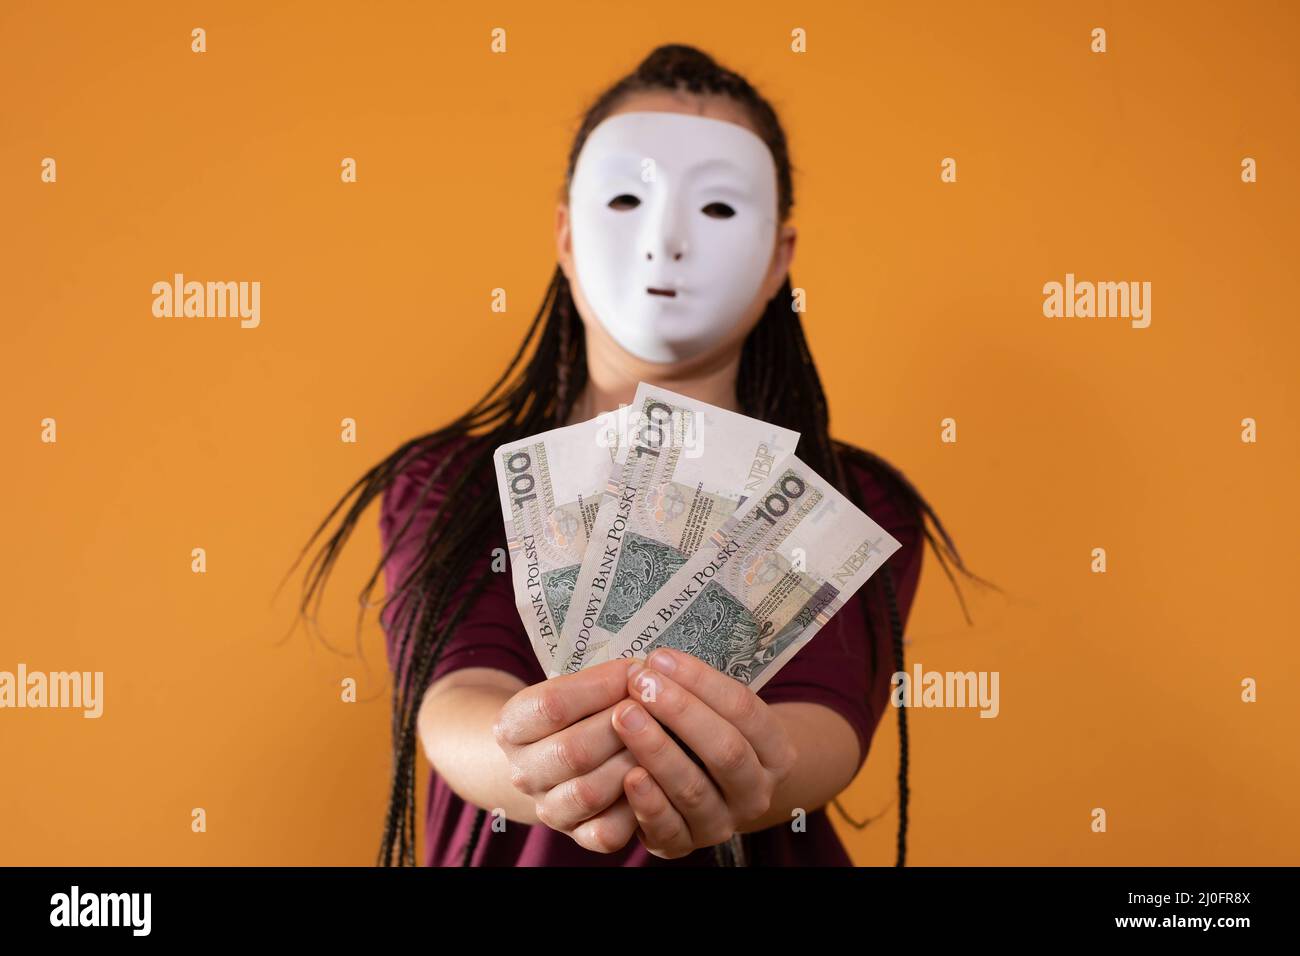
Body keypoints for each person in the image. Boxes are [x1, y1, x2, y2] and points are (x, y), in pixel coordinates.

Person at [292, 43, 991, 867]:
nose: (667, 241)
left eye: (719, 208)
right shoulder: (448, 484)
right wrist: (552, 766)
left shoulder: (852, 499)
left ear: (780, 258)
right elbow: (455, 700)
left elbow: (825, 727)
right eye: (626, 198)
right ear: (565, 234)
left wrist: (744, 771)